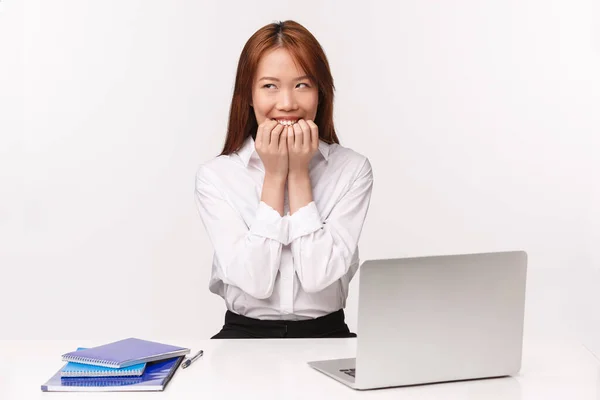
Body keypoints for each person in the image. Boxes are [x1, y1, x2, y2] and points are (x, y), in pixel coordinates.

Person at [194, 20, 374, 339]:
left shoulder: (352, 169)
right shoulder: (216, 176)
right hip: (242, 336)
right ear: (248, 95)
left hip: (328, 334)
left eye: (302, 85)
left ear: (321, 93)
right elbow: (254, 281)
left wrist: (299, 173)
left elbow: (319, 276)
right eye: (270, 86)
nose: (288, 103)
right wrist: (276, 176)